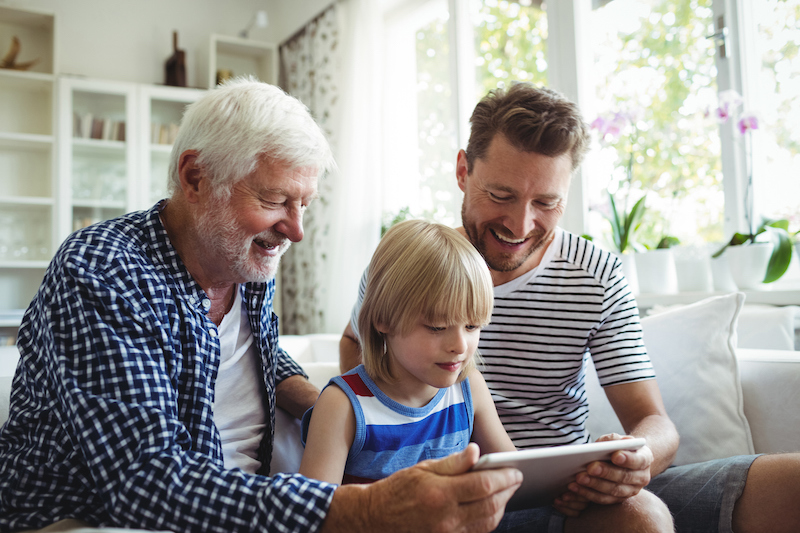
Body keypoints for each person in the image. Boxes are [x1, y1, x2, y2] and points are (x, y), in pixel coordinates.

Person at [0, 78, 523, 533]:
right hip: (94, 519)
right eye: (274, 200)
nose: (295, 230)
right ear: (195, 177)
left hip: (248, 503)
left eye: (304, 205)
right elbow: (145, 482)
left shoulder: (241, 259)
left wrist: (330, 409)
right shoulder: (104, 270)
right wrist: (360, 510)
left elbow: (258, 358)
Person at [340, 82, 800, 532]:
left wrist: (636, 460)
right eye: (501, 195)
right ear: (463, 172)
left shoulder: (597, 274)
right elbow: (356, 354)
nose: (520, 224)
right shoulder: (408, 265)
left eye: (546, 202)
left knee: (789, 484)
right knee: (642, 519)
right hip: (456, 502)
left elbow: (654, 422)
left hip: (572, 497)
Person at [300, 219, 518, 486]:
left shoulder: (469, 388)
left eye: (472, 326)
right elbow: (312, 512)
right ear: (384, 320)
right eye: (437, 327)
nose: (460, 346)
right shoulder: (341, 406)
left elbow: (515, 477)